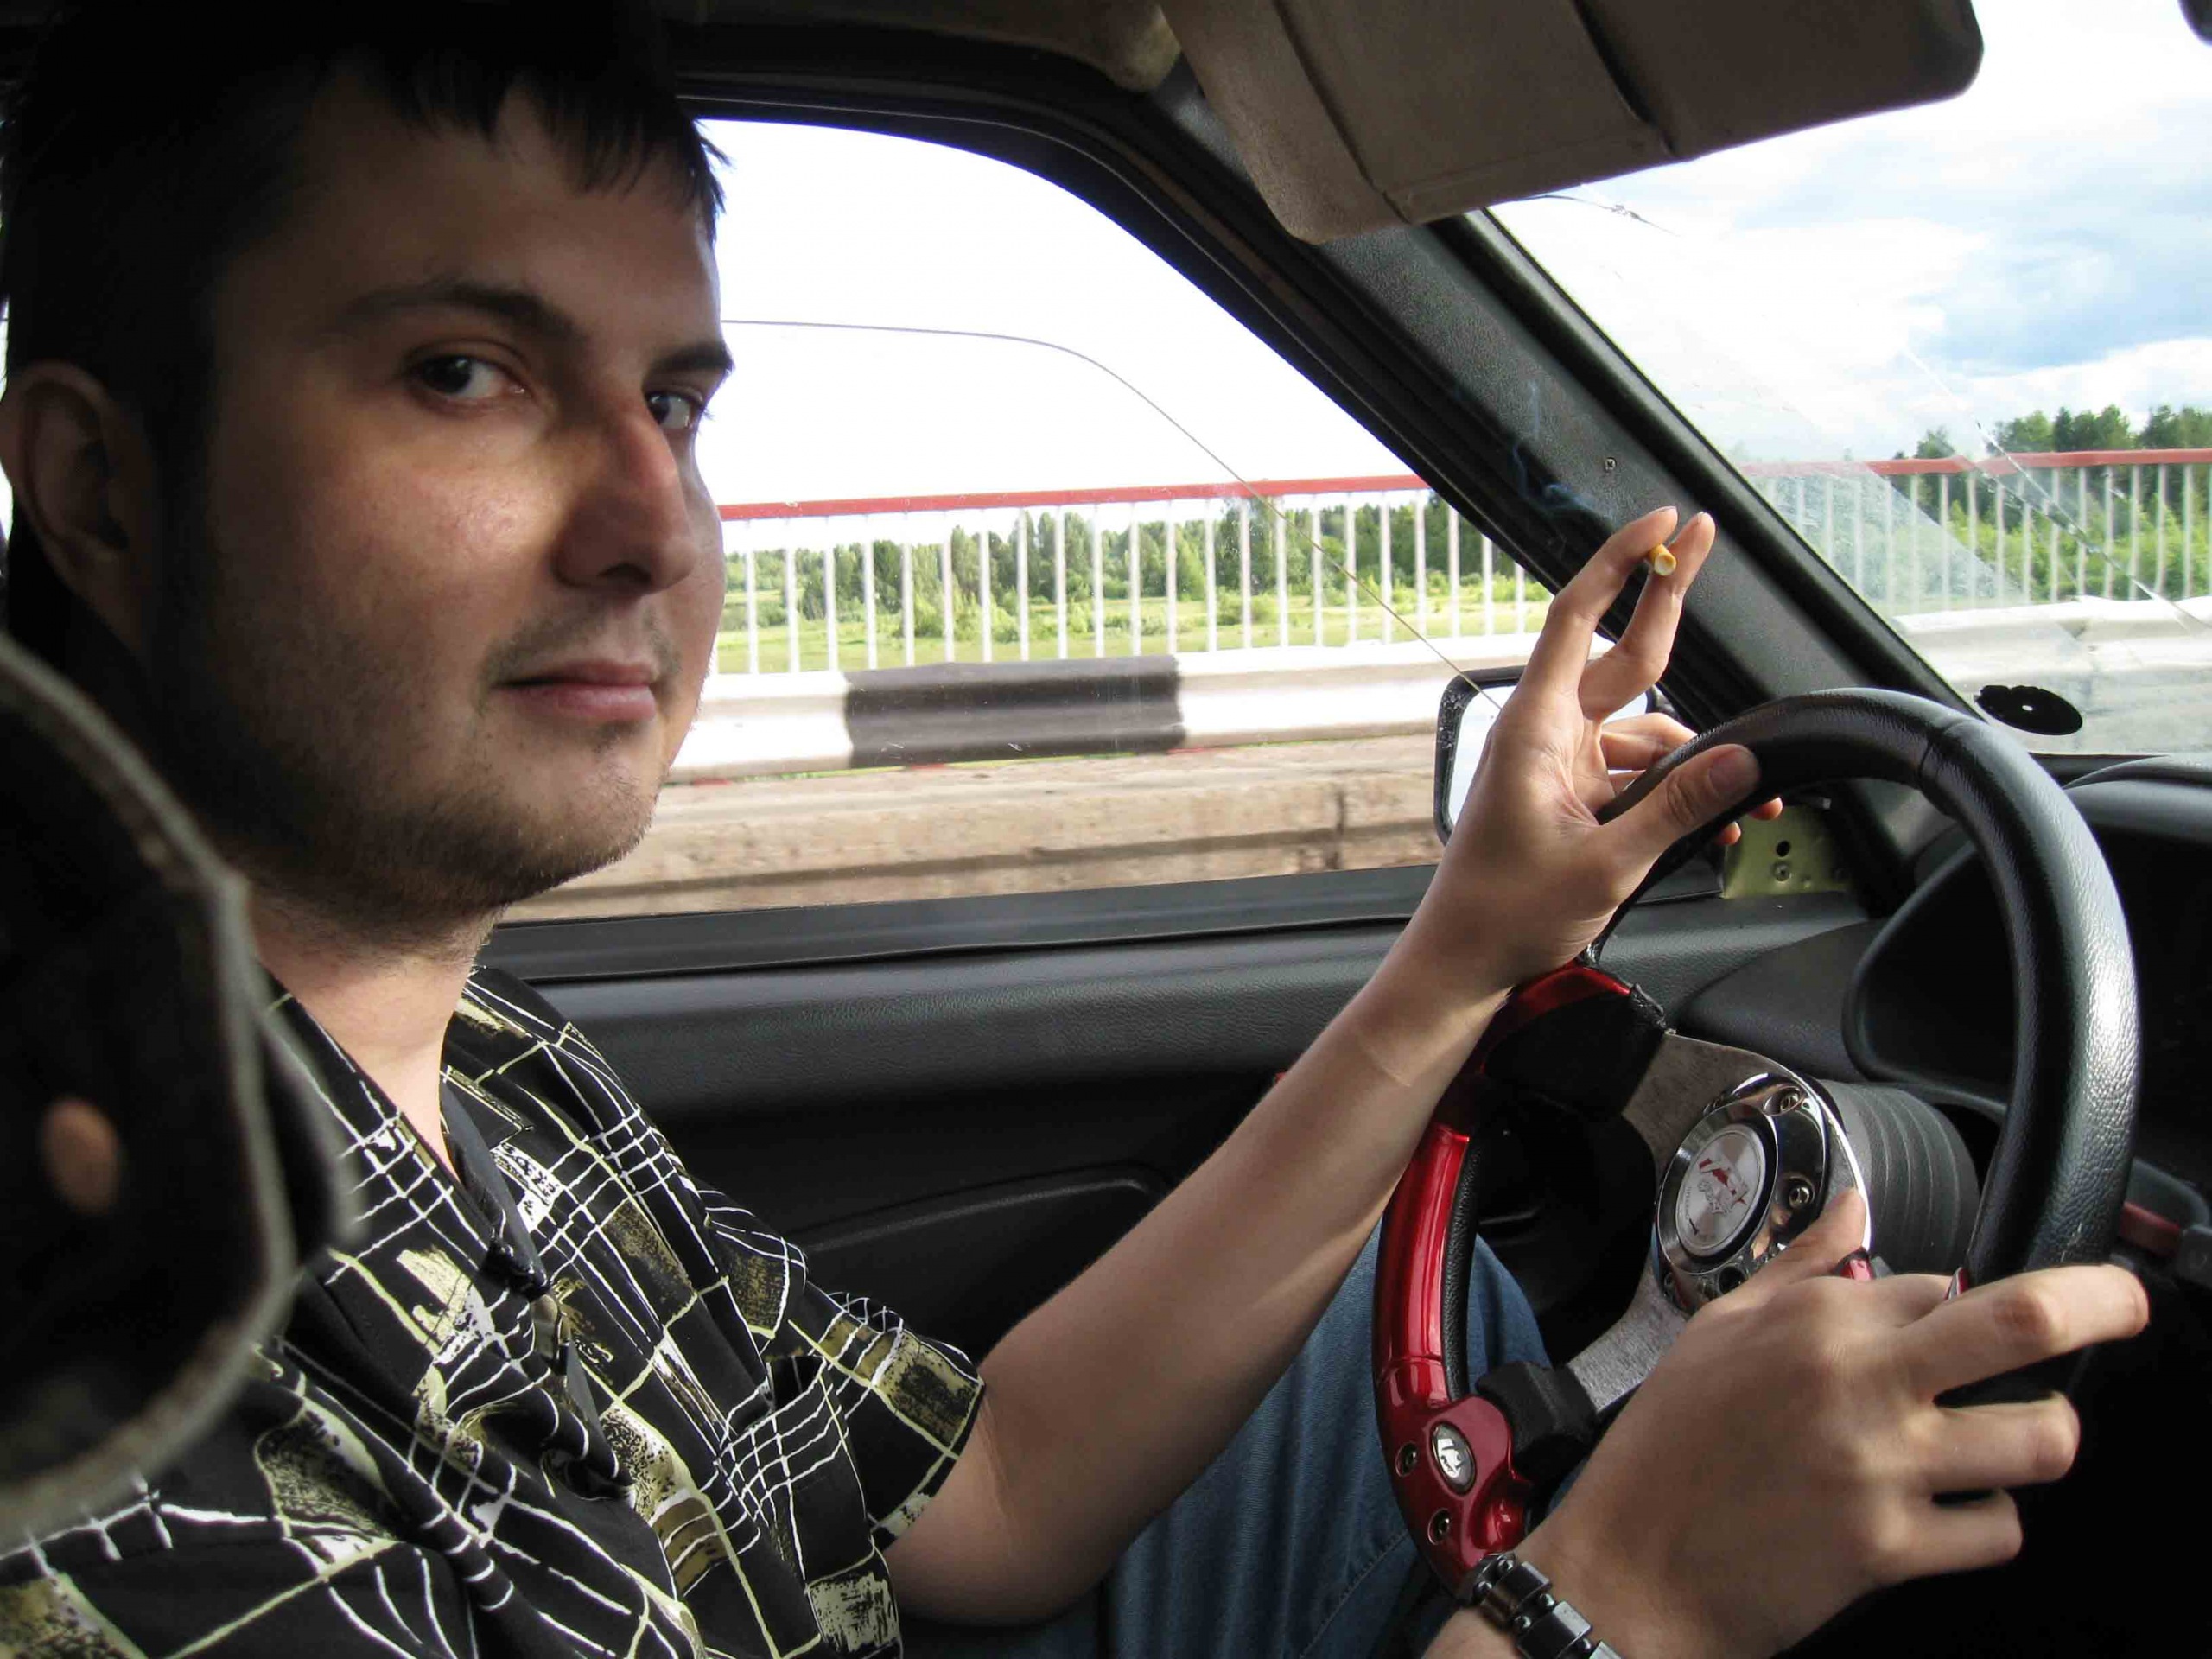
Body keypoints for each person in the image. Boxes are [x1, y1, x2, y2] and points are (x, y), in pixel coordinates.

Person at [0, 4, 2146, 1657]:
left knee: (1401, 1325)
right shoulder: (95, 1424)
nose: (652, 523)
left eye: (673, 403)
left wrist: (1465, 949)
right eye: (465, 373)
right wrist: (1616, 1600)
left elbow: (996, 1488)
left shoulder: (485, 1066)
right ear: (101, 489)